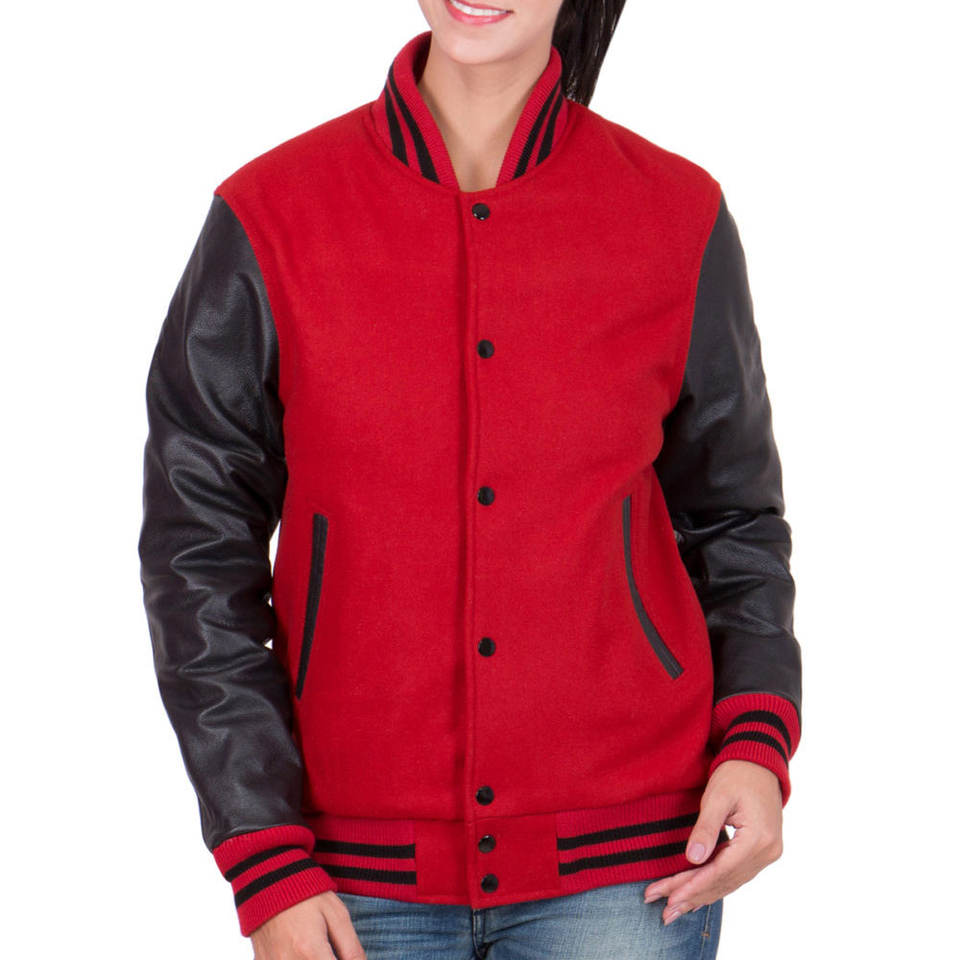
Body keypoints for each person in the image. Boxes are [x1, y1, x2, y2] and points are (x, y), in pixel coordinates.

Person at [137, 1, 803, 958]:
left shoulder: (675, 212)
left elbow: (733, 519)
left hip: (633, 868)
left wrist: (756, 744)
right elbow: (195, 548)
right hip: (347, 871)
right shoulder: (272, 214)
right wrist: (262, 849)